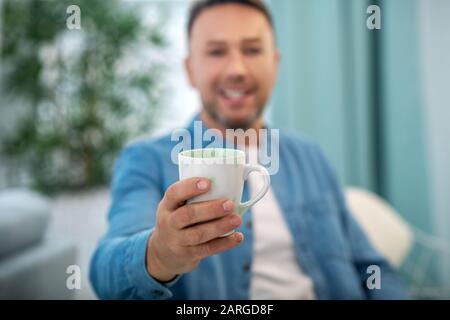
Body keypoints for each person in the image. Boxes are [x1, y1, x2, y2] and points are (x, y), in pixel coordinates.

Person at [90, 0, 407, 300]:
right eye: (216, 52)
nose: (237, 69)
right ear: (190, 70)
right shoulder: (146, 160)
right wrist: (159, 254)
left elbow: (371, 267)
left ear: (275, 63)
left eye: (253, 50)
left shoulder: (309, 155)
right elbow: (105, 272)